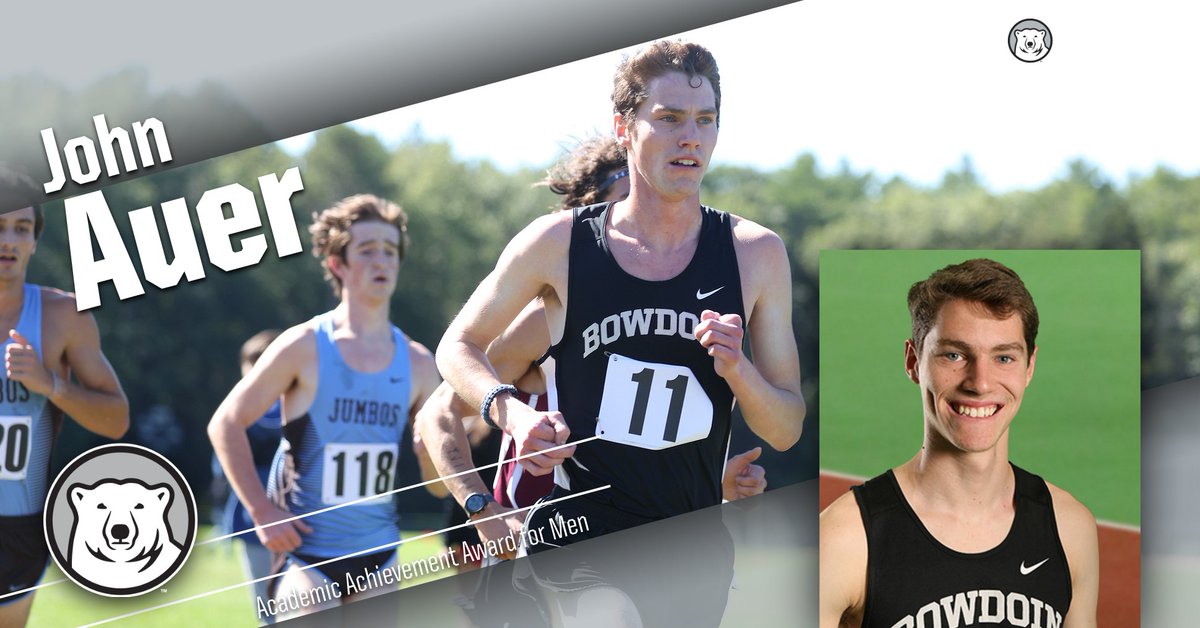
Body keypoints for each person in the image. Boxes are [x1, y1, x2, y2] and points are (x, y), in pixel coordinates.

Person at [433, 40, 804, 626]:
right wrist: (515, 416)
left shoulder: (755, 254)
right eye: (670, 119)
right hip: (581, 535)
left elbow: (785, 428)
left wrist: (740, 370)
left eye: (705, 121)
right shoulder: (557, 244)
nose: (691, 138)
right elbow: (457, 347)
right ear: (624, 127)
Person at [818, 258, 1100, 628]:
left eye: (1003, 357)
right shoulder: (845, 538)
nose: (980, 382)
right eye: (954, 355)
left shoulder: (1070, 528)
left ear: (1029, 366)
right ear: (913, 360)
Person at [207, 194, 439, 620]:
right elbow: (225, 423)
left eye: (390, 251)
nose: (381, 261)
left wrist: (432, 458)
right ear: (338, 264)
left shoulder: (420, 363)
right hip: (305, 552)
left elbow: (439, 486)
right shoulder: (304, 346)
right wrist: (261, 511)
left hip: (380, 553)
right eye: (366, 250)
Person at [0, 167, 130, 628]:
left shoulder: (63, 315)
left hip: (14, 523)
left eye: (21, 228)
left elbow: (116, 419)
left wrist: (50, 384)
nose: (8, 241)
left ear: (35, 241)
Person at [210, 329, 283, 617]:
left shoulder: (237, 413)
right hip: (266, 517)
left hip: (262, 517)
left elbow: (221, 467)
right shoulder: (305, 400)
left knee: (270, 610)